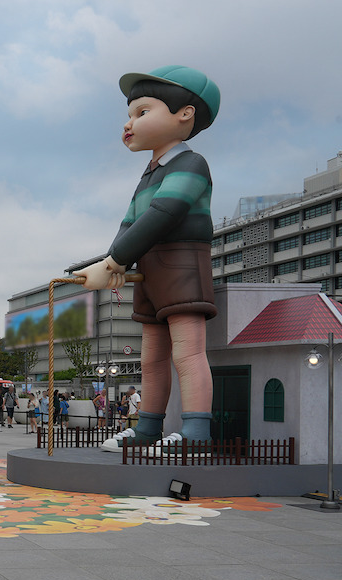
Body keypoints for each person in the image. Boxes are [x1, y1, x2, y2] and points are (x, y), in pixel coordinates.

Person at [74, 66, 221, 452]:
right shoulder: (149, 174)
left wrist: (113, 263)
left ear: (184, 114)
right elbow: (129, 223)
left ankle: (196, 434)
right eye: (129, 115)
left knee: (187, 352)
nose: (129, 124)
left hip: (182, 263)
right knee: (152, 358)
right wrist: (114, 260)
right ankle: (147, 430)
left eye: (142, 112)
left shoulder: (191, 164)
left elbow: (163, 214)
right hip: (149, 267)